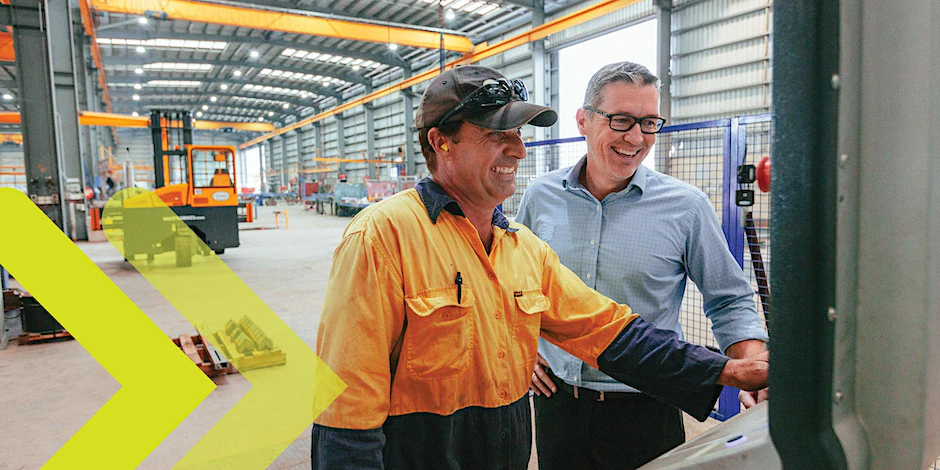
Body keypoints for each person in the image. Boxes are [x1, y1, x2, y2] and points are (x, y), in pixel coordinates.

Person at [310, 65, 769, 470]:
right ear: (440, 141)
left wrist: (728, 371)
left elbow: (608, 331)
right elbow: (346, 408)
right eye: (497, 135)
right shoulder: (384, 236)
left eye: (519, 134)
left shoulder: (520, 245)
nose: (518, 151)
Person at [516, 61, 770, 470]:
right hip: (558, 403)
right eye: (621, 120)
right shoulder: (541, 196)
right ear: (584, 120)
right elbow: (518, 286)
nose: (636, 138)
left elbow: (729, 299)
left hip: (647, 407)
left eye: (649, 122)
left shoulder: (686, 207)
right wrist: (523, 350)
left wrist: (753, 365)